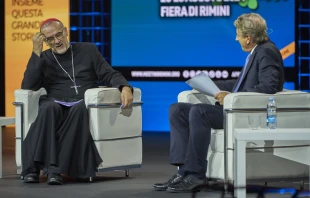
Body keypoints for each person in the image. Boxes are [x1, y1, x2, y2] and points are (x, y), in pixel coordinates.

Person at [152, 13, 285, 193]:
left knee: (199, 112)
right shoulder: (257, 51)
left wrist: (229, 97)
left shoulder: (267, 51)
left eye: (238, 34)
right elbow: (241, 83)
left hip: (244, 115)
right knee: (177, 110)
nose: (236, 38)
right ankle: (183, 172)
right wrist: (208, 86)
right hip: (234, 109)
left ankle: (197, 175)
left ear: (248, 37)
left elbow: (268, 86)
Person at [21, 18, 134, 185]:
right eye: (50, 39)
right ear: (44, 41)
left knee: (80, 109)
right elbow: (28, 85)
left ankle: (54, 171)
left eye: (59, 35)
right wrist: (36, 51)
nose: (57, 41)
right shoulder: (43, 58)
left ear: (66, 31)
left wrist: (124, 87)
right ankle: (35, 169)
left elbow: (109, 74)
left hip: (80, 102)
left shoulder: (88, 50)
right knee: (49, 108)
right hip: (54, 102)